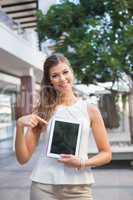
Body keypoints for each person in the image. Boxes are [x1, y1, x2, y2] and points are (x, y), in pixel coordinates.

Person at [15, 53, 112, 200]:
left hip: (79, 188)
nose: (62, 79)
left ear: (72, 72)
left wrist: (82, 162)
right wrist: (20, 126)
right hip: (43, 186)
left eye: (65, 72)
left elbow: (106, 154)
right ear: (50, 81)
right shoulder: (43, 110)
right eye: (55, 75)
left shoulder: (90, 110)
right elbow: (23, 158)